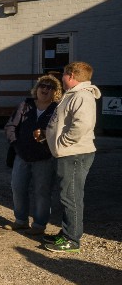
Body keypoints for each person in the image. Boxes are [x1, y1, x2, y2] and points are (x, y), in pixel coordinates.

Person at [42, 62, 101, 253]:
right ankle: (67, 232)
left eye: (64, 74)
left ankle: (72, 240)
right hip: (68, 153)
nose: (62, 78)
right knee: (67, 195)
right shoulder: (74, 94)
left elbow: (82, 125)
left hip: (74, 154)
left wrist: (63, 142)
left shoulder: (82, 96)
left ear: (72, 75)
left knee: (71, 197)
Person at [3, 75, 62, 235]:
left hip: (44, 158)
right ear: (37, 88)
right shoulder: (25, 104)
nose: (45, 89)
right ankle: (21, 221)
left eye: (50, 87)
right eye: (43, 85)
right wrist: (16, 144)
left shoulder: (57, 109)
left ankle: (39, 225)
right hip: (21, 155)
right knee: (18, 187)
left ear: (55, 92)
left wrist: (46, 138)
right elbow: (10, 126)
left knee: (42, 191)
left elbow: (60, 133)